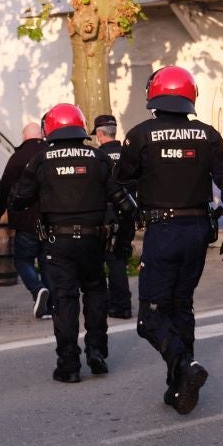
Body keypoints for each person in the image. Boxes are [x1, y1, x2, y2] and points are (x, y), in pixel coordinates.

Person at [116, 65, 223, 415]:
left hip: (162, 232)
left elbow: (120, 185)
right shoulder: (208, 135)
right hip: (198, 232)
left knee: (150, 317)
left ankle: (185, 365)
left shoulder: (140, 135)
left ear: (154, 95)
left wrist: (132, 215)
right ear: (190, 96)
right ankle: (178, 387)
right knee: (182, 306)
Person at [13, 104, 137, 382]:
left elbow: (19, 199)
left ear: (50, 129)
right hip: (93, 240)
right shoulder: (98, 157)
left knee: (65, 299)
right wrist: (125, 237)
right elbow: (124, 202)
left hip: (58, 242)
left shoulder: (41, 160)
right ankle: (97, 351)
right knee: (95, 292)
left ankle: (69, 365)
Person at [0, 122, 53, 320]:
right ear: (41, 135)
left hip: (26, 219)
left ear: (24, 136)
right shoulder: (51, 153)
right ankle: (50, 307)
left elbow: (5, 187)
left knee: (23, 260)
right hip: (51, 218)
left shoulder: (18, 157)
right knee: (46, 261)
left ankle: (37, 289)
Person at [93, 114, 134, 319]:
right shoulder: (128, 153)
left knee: (111, 260)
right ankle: (117, 301)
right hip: (129, 211)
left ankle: (120, 304)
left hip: (108, 214)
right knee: (121, 258)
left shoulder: (98, 156)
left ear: (100, 134)